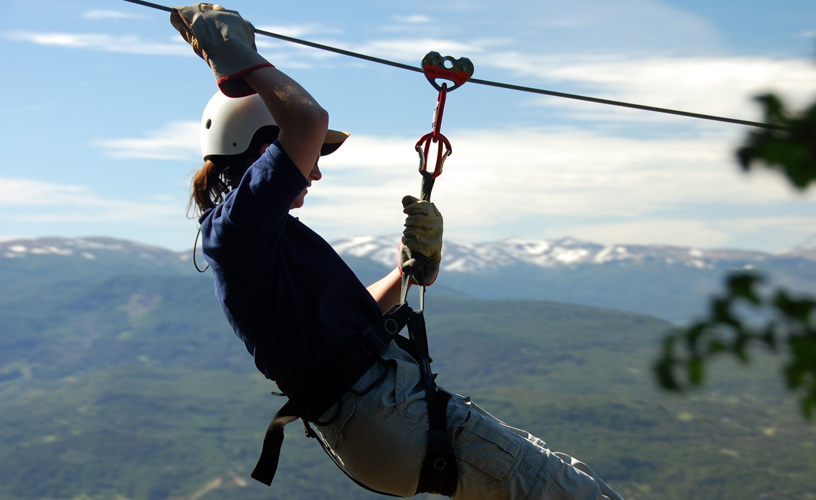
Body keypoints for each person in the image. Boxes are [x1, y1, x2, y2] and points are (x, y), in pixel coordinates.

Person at [172, 4, 625, 499]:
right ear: (264, 153)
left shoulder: (256, 241)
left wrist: (405, 273)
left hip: (379, 428)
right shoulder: (238, 230)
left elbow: (345, 329)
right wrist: (236, 54)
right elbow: (307, 119)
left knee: (565, 476)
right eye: (313, 155)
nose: (315, 172)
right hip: (387, 413)